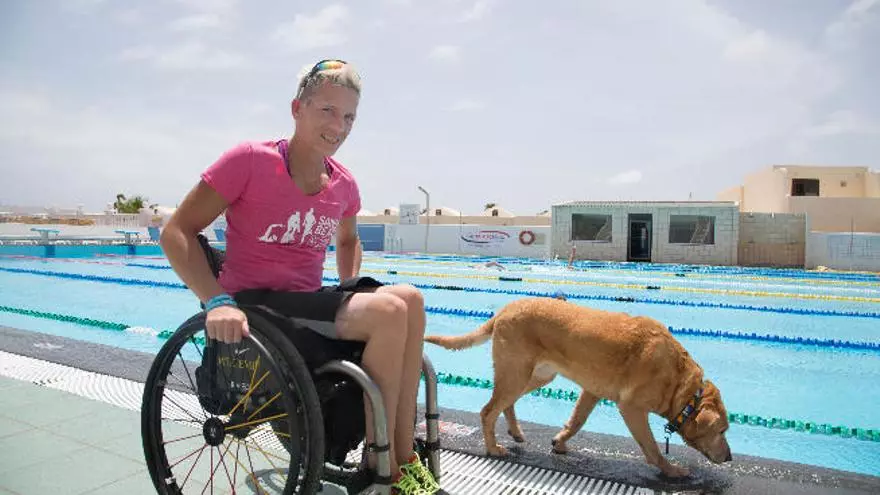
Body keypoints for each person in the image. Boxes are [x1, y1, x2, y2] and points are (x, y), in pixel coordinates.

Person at [160, 59, 438, 494]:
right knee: (387, 310)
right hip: (254, 304)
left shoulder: (343, 184)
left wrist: (348, 287)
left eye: (349, 117)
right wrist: (215, 301)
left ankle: (401, 459)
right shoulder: (250, 161)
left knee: (411, 300)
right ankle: (383, 469)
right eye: (327, 110)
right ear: (297, 108)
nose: (339, 126)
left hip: (304, 305)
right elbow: (176, 232)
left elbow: (348, 240)